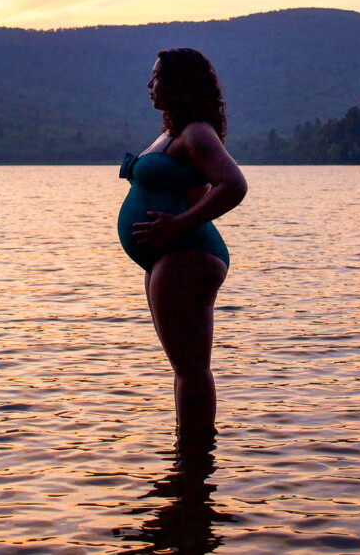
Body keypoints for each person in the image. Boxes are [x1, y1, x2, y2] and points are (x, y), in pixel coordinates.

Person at [118, 47, 247, 447]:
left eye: (157, 76)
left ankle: (195, 459)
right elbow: (197, 188)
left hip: (186, 255)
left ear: (179, 84)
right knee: (184, 368)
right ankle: (189, 458)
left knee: (191, 368)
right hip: (169, 257)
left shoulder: (196, 132)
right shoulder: (174, 134)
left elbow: (234, 185)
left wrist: (177, 225)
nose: (149, 83)